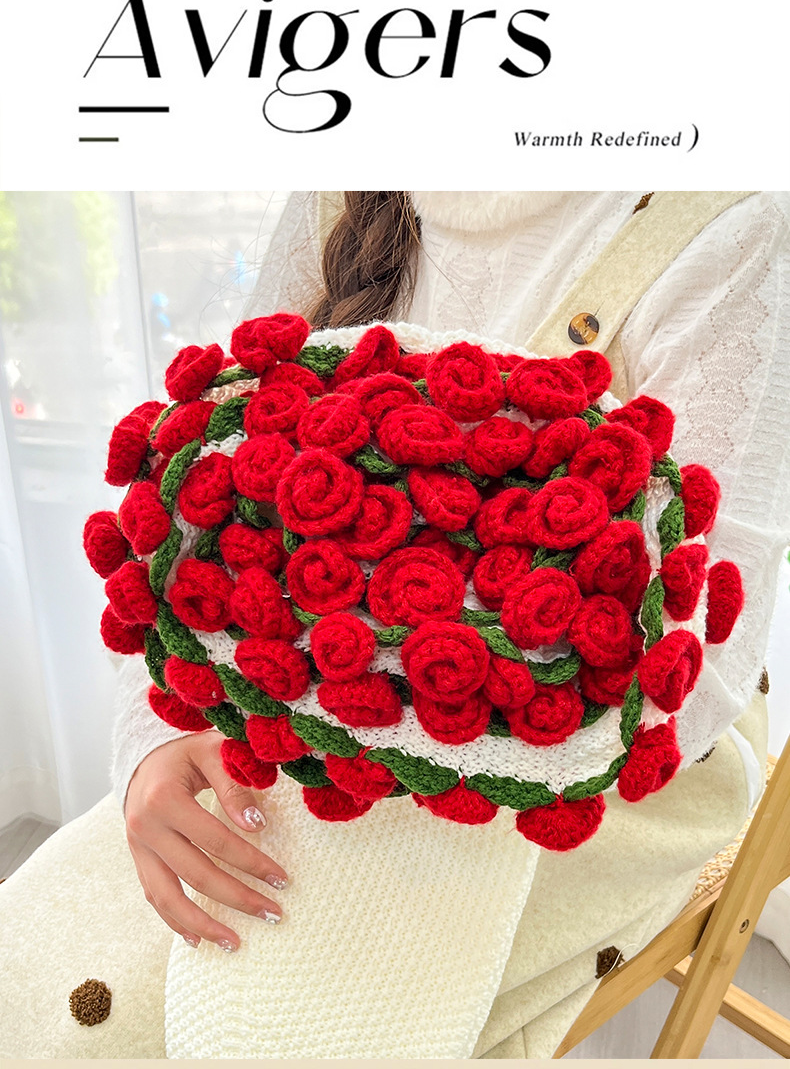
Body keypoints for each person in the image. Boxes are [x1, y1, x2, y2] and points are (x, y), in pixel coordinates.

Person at [1, 190, 788, 1059]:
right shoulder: (345, 181)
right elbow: (205, 505)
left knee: (260, 1040)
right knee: (31, 968)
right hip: (303, 709)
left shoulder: (735, 216)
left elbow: (697, 667)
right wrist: (154, 739)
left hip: (587, 767)